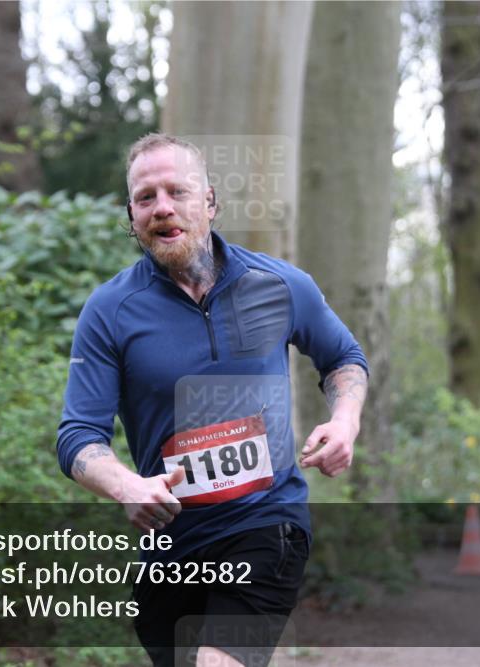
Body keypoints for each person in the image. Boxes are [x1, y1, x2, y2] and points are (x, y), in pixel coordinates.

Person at [56, 133, 368, 667]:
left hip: (266, 523)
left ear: (210, 202)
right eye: (146, 197)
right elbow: (78, 437)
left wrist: (345, 422)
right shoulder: (110, 311)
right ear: (130, 215)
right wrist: (127, 483)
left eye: (177, 191)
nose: (163, 207)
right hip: (170, 546)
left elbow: (343, 357)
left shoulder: (279, 285)